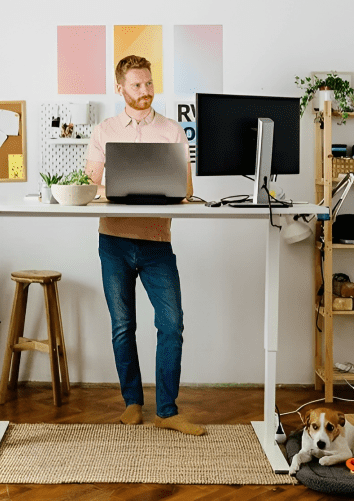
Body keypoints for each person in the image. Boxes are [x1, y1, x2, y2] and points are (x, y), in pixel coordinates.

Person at [84, 55, 202, 435]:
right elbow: (89, 185)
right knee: (123, 326)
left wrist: (160, 193)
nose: (145, 91)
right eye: (136, 85)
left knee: (172, 324)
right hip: (113, 241)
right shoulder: (104, 131)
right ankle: (132, 403)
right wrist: (119, 191)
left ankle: (167, 411)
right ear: (120, 88)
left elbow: (186, 188)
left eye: (149, 83)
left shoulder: (172, 131)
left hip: (156, 242)